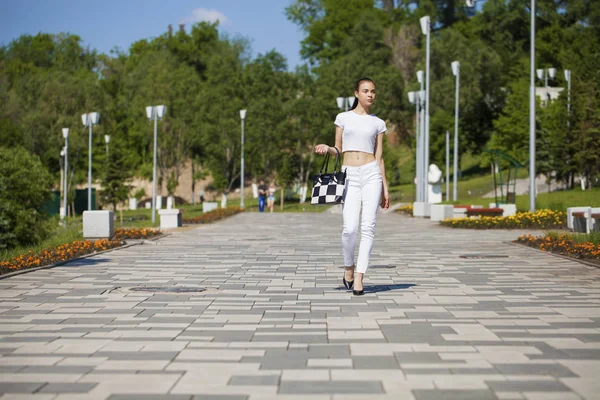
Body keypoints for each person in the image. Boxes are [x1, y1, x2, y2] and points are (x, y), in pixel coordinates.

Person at [314, 77, 390, 296]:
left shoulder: (378, 123)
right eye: (366, 91)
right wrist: (328, 149)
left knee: (368, 228)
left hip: (371, 174)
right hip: (349, 175)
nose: (370, 95)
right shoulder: (343, 118)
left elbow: (380, 157)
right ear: (356, 93)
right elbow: (338, 149)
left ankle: (360, 277)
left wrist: (385, 187)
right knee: (349, 229)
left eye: (373, 91)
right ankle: (349, 266)